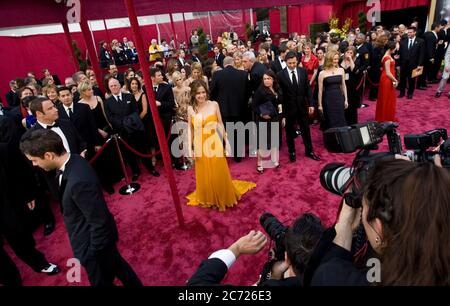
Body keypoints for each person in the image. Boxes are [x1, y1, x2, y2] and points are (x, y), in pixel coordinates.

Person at [20, 129, 143, 287]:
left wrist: (90, 254)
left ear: (49, 155)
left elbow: (99, 222)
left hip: (95, 248)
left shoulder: (78, 181)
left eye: (34, 160)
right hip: (96, 242)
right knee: (119, 267)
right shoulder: (75, 160)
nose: (34, 164)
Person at [310, 159, 450, 286]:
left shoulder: (334, 277)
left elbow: (322, 274)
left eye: (363, 207)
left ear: (379, 227)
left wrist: (344, 224)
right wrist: (435, 189)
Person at [186, 80, 256, 211]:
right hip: (200, 144)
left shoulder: (214, 105)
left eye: (203, 92)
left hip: (214, 142)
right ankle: (210, 198)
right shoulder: (190, 109)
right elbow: (190, 129)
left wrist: (227, 142)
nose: (201, 95)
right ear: (193, 94)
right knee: (205, 174)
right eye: (198, 93)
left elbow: (220, 124)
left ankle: (222, 197)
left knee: (218, 171)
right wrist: (190, 148)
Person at [277, 51, 320, 162]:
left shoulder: (303, 72)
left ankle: (309, 151)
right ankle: (292, 151)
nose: (292, 65)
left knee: (306, 129)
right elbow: (280, 95)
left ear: (297, 61)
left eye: (294, 63)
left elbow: (307, 89)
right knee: (289, 131)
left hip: (302, 106)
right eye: (290, 63)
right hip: (288, 108)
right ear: (285, 61)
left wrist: (311, 103)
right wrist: (282, 113)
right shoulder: (280, 75)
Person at [210, 56, 250, 162]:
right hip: (240, 109)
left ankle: (224, 154)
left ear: (224, 64)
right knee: (239, 131)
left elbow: (212, 93)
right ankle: (238, 157)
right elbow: (248, 93)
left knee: (224, 133)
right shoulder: (243, 74)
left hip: (223, 110)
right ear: (233, 63)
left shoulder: (217, 74)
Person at [252, 70, 282, 173]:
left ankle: (274, 160)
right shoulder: (260, 91)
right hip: (263, 120)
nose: (266, 81)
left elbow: (280, 103)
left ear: (273, 79)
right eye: (264, 79)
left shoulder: (277, 88)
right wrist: (261, 114)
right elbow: (254, 106)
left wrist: (283, 117)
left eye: (269, 78)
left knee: (274, 140)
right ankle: (259, 163)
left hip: (275, 118)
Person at [318, 50, 348, 131]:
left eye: (337, 59)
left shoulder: (341, 70)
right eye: (334, 59)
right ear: (329, 59)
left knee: (340, 118)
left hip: (339, 97)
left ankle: (342, 139)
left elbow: (344, 86)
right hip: (328, 99)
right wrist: (320, 105)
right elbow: (320, 91)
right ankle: (332, 140)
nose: (336, 61)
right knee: (330, 119)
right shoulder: (322, 73)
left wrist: (346, 100)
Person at [398, 26, 424, 99]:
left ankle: (410, 93)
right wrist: (399, 64)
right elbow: (400, 53)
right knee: (402, 79)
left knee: (412, 80)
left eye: (410, 32)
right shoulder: (403, 41)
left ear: (414, 32)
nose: (409, 34)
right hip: (403, 65)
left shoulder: (420, 41)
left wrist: (419, 64)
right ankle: (402, 93)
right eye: (408, 32)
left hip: (414, 65)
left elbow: (421, 54)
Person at [375, 41, 398, 122]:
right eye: (394, 48)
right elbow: (388, 72)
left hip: (388, 78)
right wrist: (395, 80)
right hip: (387, 79)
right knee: (386, 98)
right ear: (390, 49)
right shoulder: (387, 58)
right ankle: (385, 118)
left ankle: (386, 116)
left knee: (387, 98)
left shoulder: (387, 56)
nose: (395, 50)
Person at [340, 46, 361, 125]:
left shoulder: (356, 61)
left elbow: (354, 70)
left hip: (352, 85)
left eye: (351, 53)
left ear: (354, 54)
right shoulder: (340, 60)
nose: (348, 54)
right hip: (342, 84)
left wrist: (351, 60)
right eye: (347, 52)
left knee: (351, 105)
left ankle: (352, 122)